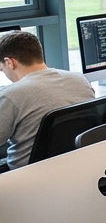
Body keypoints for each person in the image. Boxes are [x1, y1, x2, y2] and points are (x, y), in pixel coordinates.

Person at [0, 31, 95, 170]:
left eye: (2, 69)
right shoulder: (79, 79)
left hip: (27, 178)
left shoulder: (11, 95)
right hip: (77, 167)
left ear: (10, 62)